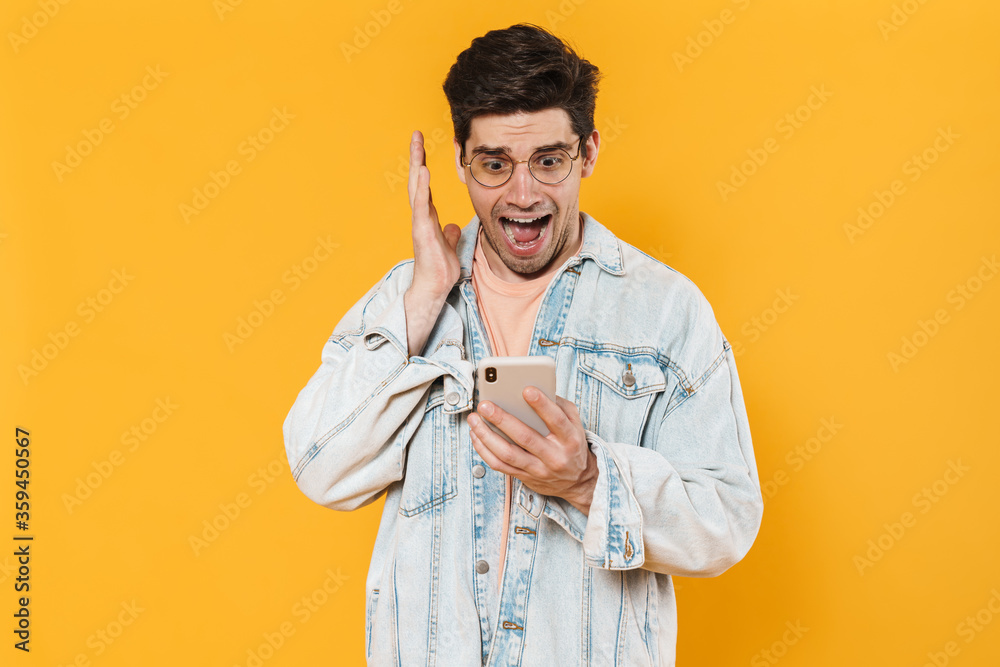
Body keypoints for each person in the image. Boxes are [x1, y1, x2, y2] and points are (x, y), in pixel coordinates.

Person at [283, 23, 763, 666]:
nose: (523, 194)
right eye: (494, 164)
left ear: (587, 153)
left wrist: (590, 479)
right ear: (460, 161)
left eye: (548, 159)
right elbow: (320, 467)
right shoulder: (411, 296)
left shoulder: (665, 312)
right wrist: (425, 297)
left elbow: (727, 520)